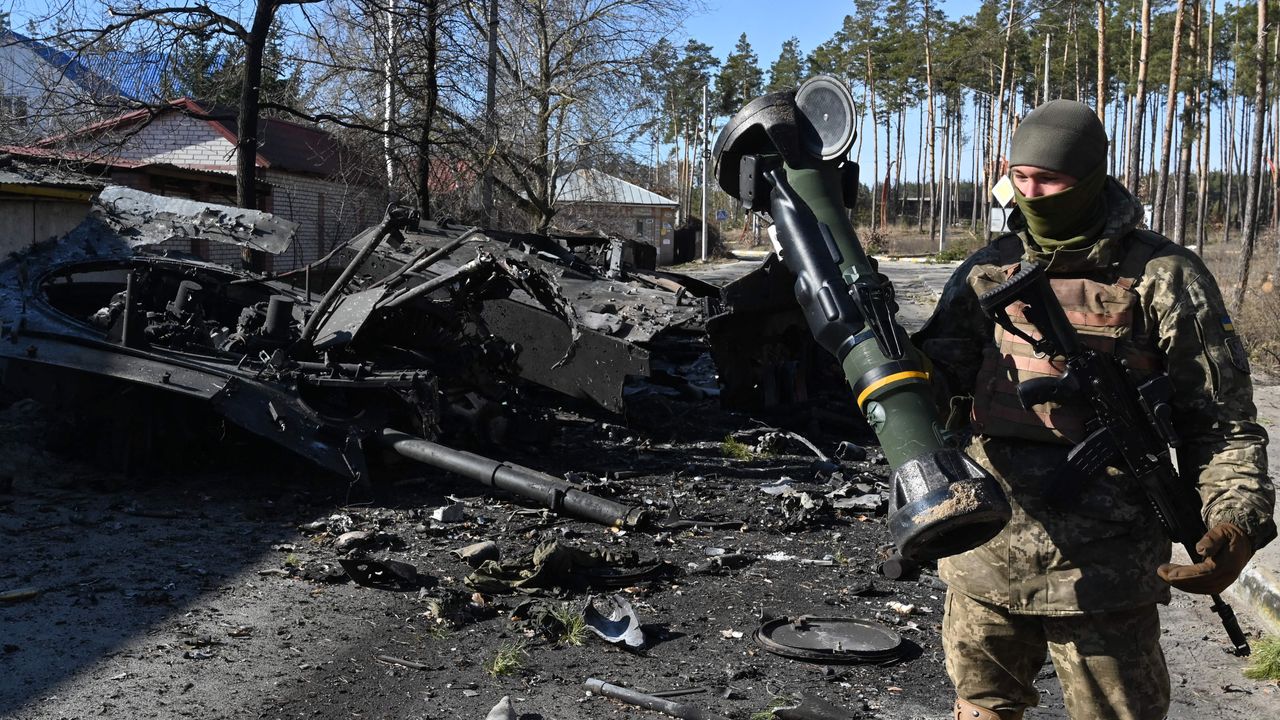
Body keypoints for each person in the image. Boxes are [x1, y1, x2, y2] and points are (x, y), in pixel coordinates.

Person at [912, 99, 1276, 720]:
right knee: (979, 707)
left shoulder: (1163, 274)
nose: (1033, 193)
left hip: (1107, 570)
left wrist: (1236, 519)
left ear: (1092, 178)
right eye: (1020, 178)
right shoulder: (985, 270)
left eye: (1051, 180)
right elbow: (932, 386)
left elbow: (1219, 421)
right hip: (986, 551)